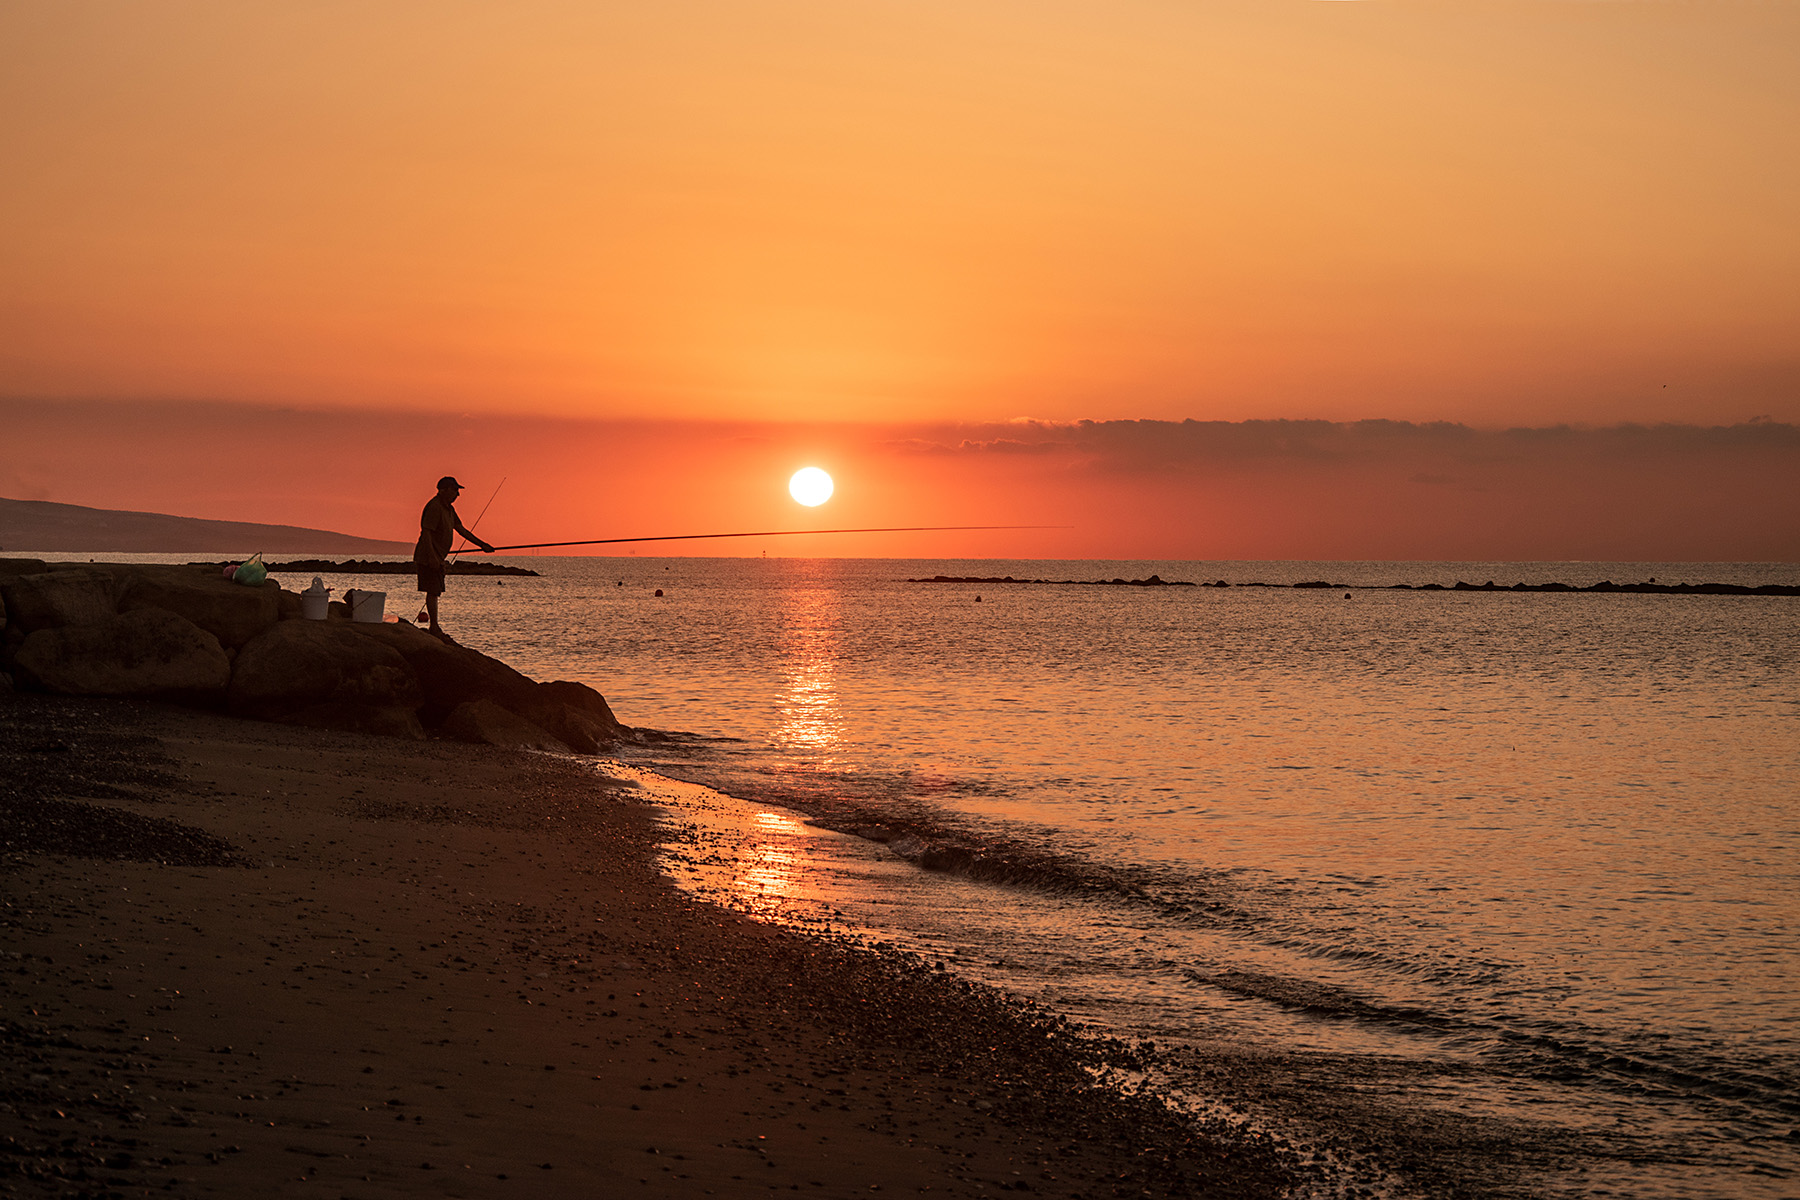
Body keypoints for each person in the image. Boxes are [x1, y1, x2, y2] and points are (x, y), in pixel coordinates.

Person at [414, 476, 494, 641]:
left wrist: (482, 545)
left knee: (435, 590)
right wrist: (432, 557)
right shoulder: (434, 507)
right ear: (444, 490)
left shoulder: (449, 509)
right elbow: (426, 533)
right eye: (455, 490)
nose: (458, 494)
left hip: (437, 556)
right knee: (433, 590)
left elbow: (461, 529)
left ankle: (434, 625)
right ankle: (434, 627)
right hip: (428, 556)